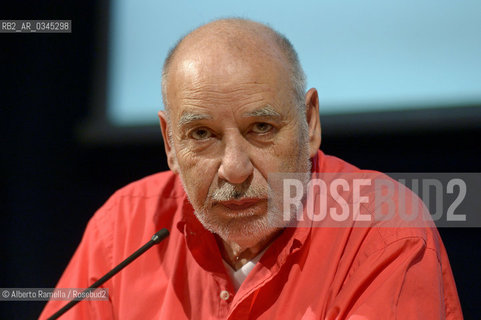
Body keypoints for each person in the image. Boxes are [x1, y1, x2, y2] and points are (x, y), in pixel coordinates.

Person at [40, 18, 462, 319]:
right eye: (202, 134)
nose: (235, 170)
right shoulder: (124, 227)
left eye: (261, 128)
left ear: (310, 123)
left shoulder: (384, 229)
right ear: (170, 143)